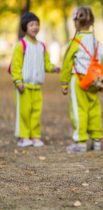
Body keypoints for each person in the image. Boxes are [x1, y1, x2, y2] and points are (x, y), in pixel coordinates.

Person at [10, 11, 60, 147]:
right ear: (25, 27)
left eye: (37, 24)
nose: (35, 27)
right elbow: (15, 66)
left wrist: (53, 68)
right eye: (32, 24)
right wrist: (18, 81)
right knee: (24, 113)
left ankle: (35, 136)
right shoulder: (21, 45)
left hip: (37, 87)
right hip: (24, 87)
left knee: (36, 113)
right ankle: (23, 136)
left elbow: (46, 64)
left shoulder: (41, 46)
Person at [60, 6, 103, 152]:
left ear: (76, 22)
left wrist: (64, 82)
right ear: (92, 21)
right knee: (94, 109)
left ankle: (81, 142)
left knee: (79, 110)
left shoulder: (76, 41)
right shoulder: (97, 42)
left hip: (78, 80)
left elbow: (67, 63)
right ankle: (97, 140)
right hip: (94, 81)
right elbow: (100, 62)